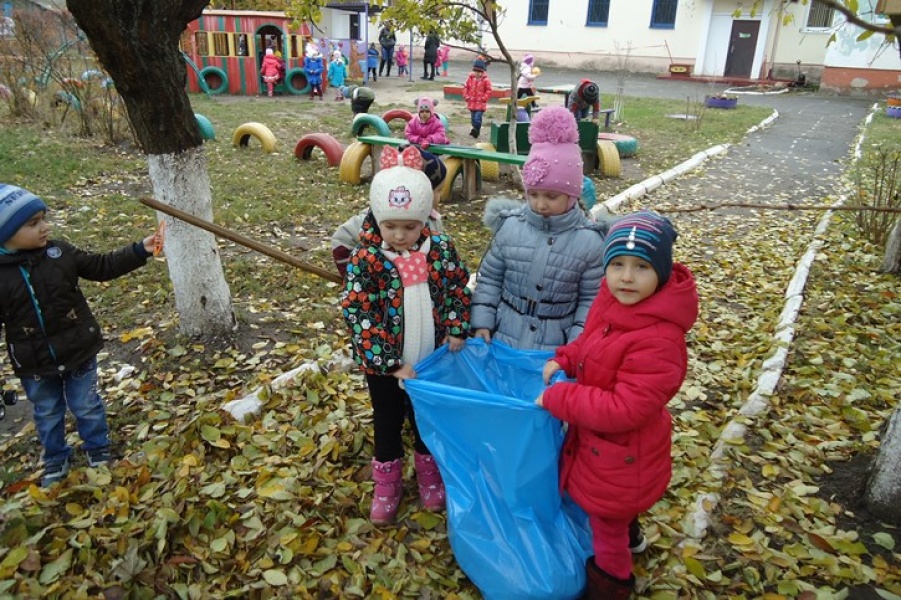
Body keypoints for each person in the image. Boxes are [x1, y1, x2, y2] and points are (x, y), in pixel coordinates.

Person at [537, 210, 699, 599]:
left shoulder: (659, 339)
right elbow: (593, 342)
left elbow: (625, 408)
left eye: (641, 267)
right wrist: (567, 358)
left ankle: (610, 586)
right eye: (617, 265)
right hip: (606, 449)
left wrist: (560, 397)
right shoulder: (613, 301)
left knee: (607, 526)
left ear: (661, 273)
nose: (626, 277)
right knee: (618, 511)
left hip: (621, 452)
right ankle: (634, 537)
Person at [340, 145, 471, 525]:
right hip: (385, 367)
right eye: (391, 226)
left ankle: (430, 476)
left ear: (425, 218)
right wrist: (388, 362)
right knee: (387, 421)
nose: (400, 235)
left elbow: (456, 288)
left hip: (430, 361)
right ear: (377, 218)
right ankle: (387, 484)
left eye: (410, 227)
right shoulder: (367, 259)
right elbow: (358, 312)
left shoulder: (439, 250)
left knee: (425, 419)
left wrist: (456, 327)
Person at [0, 184, 163, 487]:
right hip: (34, 363)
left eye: (43, 219)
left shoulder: (59, 253)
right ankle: (55, 458)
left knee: (86, 404)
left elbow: (101, 266)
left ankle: (97, 448)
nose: (45, 227)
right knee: (47, 412)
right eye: (33, 223)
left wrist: (139, 249)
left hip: (78, 350)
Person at [471, 106, 606, 351]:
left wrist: (576, 346)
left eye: (552, 196)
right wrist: (482, 321)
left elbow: (590, 301)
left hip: (554, 349)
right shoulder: (510, 228)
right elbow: (490, 279)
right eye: (533, 194)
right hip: (503, 338)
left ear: (572, 195)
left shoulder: (590, 243)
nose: (540, 204)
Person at [330, 148, 447, 278]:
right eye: (438, 191)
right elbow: (342, 239)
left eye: (410, 227)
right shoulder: (373, 219)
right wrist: (352, 274)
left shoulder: (433, 220)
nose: (399, 236)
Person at [462, 57, 492, 139]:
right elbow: (466, 87)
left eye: (479, 72)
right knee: (473, 120)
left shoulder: (486, 80)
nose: (477, 73)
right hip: (472, 103)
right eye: (475, 71)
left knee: (477, 119)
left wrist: (484, 98)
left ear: (483, 72)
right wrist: (466, 96)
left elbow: (489, 90)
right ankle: (476, 131)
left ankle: (475, 130)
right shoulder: (470, 78)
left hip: (480, 104)